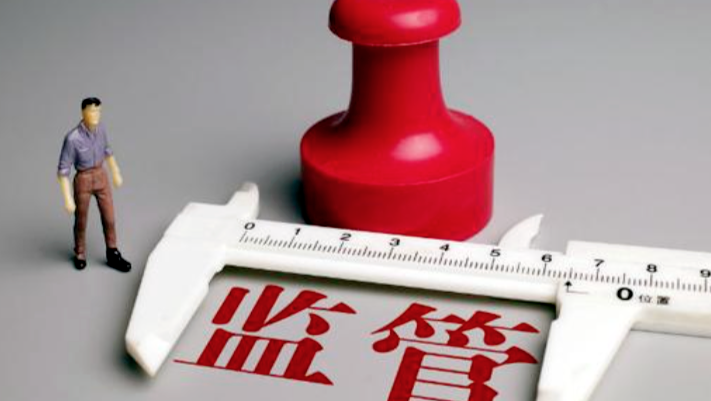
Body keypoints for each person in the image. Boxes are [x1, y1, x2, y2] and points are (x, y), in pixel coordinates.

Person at [57, 97, 131, 272]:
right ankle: (80, 252)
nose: (96, 114)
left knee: (109, 217)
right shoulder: (72, 138)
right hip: (83, 179)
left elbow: (107, 151)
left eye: (98, 110)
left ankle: (112, 252)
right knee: (81, 220)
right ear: (83, 112)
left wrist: (116, 172)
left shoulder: (101, 129)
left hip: (100, 175)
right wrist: (67, 198)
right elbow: (63, 171)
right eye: (92, 111)